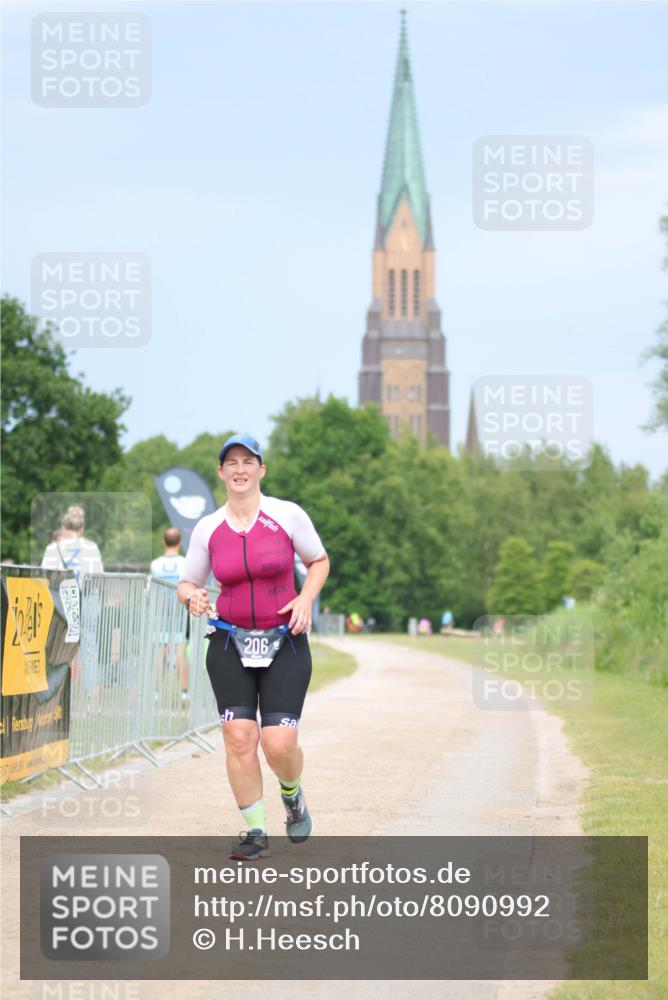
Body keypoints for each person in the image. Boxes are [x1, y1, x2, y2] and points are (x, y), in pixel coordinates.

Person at [177, 434, 329, 861]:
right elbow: (187, 582)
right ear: (221, 472)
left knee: (277, 743)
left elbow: (319, 561)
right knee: (238, 737)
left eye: (248, 461)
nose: (239, 469)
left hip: (284, 642)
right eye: (232, 463)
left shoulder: (286, 515)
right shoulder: (208, 528)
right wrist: (192, 597)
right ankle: (256, 831)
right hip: (228, 640)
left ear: (261, 469)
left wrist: (305, 599)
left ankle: (292, 793)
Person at [151, 528, 188, 704]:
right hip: (179, 610)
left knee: (160, 650)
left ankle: (157, 690)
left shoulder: (155, 564)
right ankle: (184, 691)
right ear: (179, 543)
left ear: (163, 542)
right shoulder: (184, 563)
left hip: (162, 610)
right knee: (180, 648)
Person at [41, 505, 103, 580]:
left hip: (58, 591)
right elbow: (100, 579)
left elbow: (43, 579)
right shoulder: (92, 547)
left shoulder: (52, 548)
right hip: (86, 591)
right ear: (82, 529)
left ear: (63, 527)